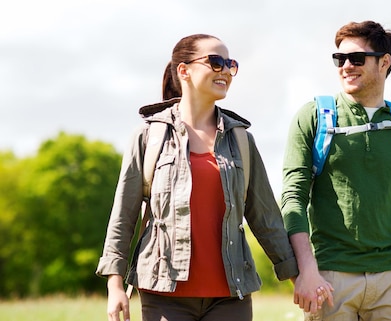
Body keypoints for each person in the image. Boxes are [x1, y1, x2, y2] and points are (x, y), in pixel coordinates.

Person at [96, 34, 302, 321]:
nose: (226, 71)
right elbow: (123, 217)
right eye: (215, 62)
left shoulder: (241, 140)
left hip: (232, 297)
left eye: (230, 64)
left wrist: (299, 278)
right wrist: (115, 285)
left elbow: (266, 218)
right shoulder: (148, 137)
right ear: (184, 71)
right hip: (165, 296)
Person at [281, 21, 391, 321]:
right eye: (340, 59)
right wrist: (307, 270)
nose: (346, 66)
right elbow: (292, 198)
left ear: (384, 62)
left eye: (357, 58)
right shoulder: (313, 117)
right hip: (330, 277)